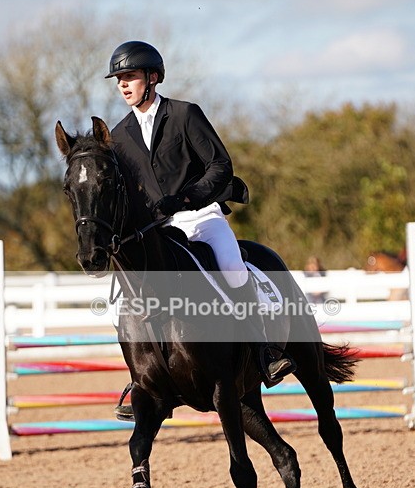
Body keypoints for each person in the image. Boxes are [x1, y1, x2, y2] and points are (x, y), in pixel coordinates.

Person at [106, 40, 295, 384]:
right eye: (118, 78)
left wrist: (186, 198)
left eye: (129, 76)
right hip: (159, 229)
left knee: (233, 269)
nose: (122, 84)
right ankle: (142, 378)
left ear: (152, 77)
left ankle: (265, 350)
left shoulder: (184, 114)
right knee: (134, 290)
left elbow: (220, 165)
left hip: (202, 217)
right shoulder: (119, 136)